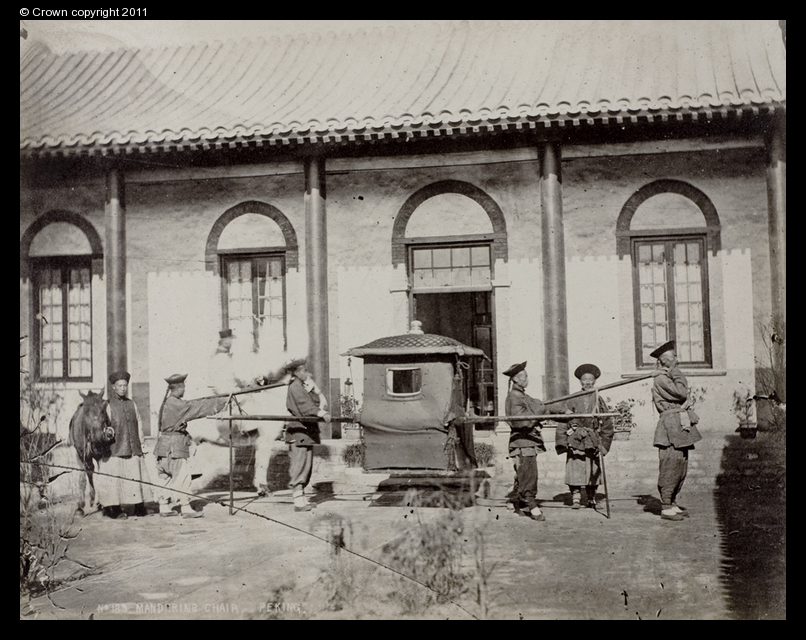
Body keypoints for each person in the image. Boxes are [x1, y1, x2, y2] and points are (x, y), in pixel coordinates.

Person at [154, 373, 229, 518]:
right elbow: (197, 407)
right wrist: (222, 401)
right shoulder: (177, 404)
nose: (184, 390)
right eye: (183, 387)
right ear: (179, 387)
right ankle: (186, 508)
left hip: (163, 446)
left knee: (165, 476)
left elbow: (192, 404)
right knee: (183, 476)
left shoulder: (168, 402)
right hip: (175, 446)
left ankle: (163, 506)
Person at [649, 341, 702, 521]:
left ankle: (672, 502)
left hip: (678, 423)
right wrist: (676, 372)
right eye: (673, 357)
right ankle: (665, 506)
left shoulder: (667, 376)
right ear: (664, 360)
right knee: (670, 464)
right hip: (670, 425)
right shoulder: (661, 379)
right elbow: (681, 393)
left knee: (681, 465)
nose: (677, 360)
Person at [556, 364, 615, 509]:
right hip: (576, 438)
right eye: (584, 380)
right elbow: (563, 420)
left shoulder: (598, 399)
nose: (587, 382)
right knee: (575, 468)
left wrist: (604, 445)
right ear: (580, 381)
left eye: (590, 379)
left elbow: (606, 422)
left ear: (594, 381)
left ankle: (591, 498)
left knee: (593, 468)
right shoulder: (572, 399)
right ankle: (575, 497)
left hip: (592, 439)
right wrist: (562, 441)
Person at [96, 371, 151, 519]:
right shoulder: (108, 405)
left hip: (133, 447)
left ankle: (138, 506)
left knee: (135, 476)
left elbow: (139, 423)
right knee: (115, 481)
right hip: (115, 449)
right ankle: (114, 509)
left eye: (125, 386)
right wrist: (107, 432)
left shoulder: (132, 404)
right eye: (119, 386)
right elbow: (102, 426)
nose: (122, 388)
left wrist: (141, 442)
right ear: (113, 387)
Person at [503, 361, 547, 521]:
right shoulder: (514, 397)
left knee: (523, 473)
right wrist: (539, 410)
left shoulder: (523, 396)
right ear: (515, 379)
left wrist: (565, 411)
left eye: (526, 376)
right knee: (528, 474)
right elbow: (520, 422)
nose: (526, 379)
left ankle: (516, 501)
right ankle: (532, 505)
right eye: (523, 376)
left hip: (528, 442)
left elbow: (541, 406)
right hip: (522, 443)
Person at [284, 358, 330, 512]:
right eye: (304, 370)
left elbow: (315, 402)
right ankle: (298, 502)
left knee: (306, 467)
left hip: (306, 432)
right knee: (299, 466)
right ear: (297, 372)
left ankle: (302, 500)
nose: (307, 373)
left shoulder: (303, 387)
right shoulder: (295, 387)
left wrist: (314, 390)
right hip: (299, 432)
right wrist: (321, 413)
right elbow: (305, 407)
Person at [208, 329, 247, 445]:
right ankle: (239, 433)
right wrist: (240, 386)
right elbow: (226, 378)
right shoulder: (220, 358)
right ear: (224, 341)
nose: (231, 342)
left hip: (227, 389)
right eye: (229, 340)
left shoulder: (224, 356)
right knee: (246, 400)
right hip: (225, 391)